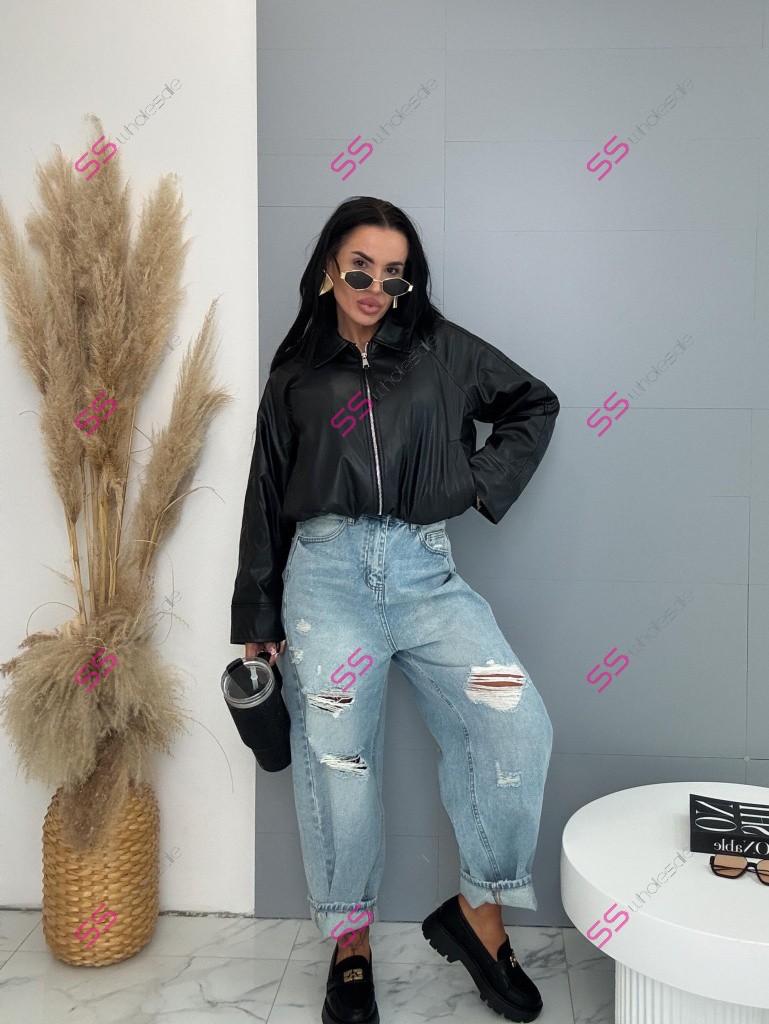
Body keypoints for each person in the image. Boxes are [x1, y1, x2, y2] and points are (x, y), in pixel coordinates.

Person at [231, 196, 559, 1024]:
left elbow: (532, 403)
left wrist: (472, 484)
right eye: (360, 270)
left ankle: (478, 915)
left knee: (513, 720)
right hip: (325, 581)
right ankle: (350, 943)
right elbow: (265, 492)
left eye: (393, 275)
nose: (375, 288)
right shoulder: (296, 373)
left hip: (424, 574)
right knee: (338, 764)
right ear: (328, 269)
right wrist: (258, 621)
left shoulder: (440, 349)